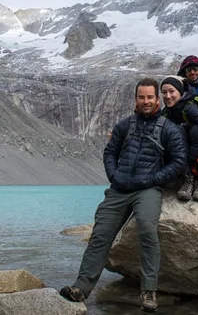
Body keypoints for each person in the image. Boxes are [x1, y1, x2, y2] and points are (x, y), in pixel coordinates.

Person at [60, 78, 187, 313]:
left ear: (157, 100)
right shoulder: (124, 126)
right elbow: (110, 152)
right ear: (136, 99)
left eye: (150, 97)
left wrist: (152, 179)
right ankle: (81, 288)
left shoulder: (169, 129)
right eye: (142, 97)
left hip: (147, 189)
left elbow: (179, 162)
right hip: (119, 189)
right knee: (100, 234)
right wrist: (113, 175)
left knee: (147, 231)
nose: (146, 101)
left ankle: (149, 291)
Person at [159, 76, 198, 202]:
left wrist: (190, 156)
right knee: (174, 131)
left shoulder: (190, 107)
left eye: (171, 91)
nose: (168, 96)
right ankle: (187, 178)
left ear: (180, 92)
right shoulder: (167, 112)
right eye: (164, 92)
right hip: (184, 153)